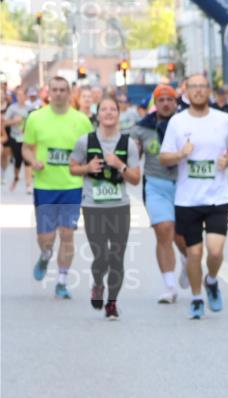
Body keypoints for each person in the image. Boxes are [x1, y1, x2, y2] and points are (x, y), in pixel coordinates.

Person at [159, 74, 228, 320]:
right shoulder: (177, 122)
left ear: (209, 91)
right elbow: (164, 158)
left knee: (214, 252)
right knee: (194, 254)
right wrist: (180, 154)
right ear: (186, 91)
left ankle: (212, 280)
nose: (198, 91)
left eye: (203, 87)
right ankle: (196, 298)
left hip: (217, 196)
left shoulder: (223, 119)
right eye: (193, 87)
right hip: (188, 199)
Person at [68, 96, 141, 320]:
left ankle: (112, 302)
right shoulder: (85, 141)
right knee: (101, 255)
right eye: (104, 110)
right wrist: (88, 167)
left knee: (117, 257)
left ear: (119, 114)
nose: (109, 113)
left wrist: (120, 165)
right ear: (97, 114)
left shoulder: (128, 143)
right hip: (93, 207)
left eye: (113, 110)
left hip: (119, 207)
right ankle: (98, 284)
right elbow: (72, 168)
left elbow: (136, 179)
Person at [21, 76, 94, 298]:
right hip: (45, 185)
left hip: (72, 185)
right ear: (49, 93)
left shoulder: (81, 120)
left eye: (63, 90)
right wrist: (33, 161)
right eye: (55, 90)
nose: (59, 93)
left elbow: (90, 150)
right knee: (46, 239)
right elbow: (26, 148)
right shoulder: (36, 118)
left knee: (67, 234)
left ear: (70, 93)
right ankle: (45, 256)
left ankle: (62, 281)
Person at [133, 84, 186, 304]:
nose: (165, 103)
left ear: (176, 102)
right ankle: (169, 286)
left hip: (184, 186)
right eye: (161, 100)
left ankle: (186, 258)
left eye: (169, 99)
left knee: (181, 237)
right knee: (164, 230)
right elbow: (133, 154)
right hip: (155, 185)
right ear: (155, 104)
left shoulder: (186, 124)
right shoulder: (143, 128)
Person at [5, 87, 32, 193]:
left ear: (26, 96)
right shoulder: (12, 108)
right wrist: (14, 121)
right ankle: (16, 178)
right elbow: (5, 123)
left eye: (22, 95)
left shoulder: (30, 108)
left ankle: (28, 184)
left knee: (27, 160)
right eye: (18, 95)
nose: (20, 97)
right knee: (18, 160)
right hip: (15, 137)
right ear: (16, 96)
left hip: (27, 138)